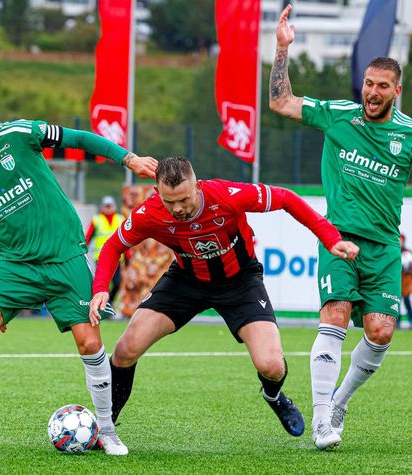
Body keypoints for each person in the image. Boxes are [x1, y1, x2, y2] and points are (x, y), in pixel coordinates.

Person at [0, 83, 157, 456]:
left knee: (89, 342)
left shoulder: (19, 133)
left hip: (65, 256)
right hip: (14, 266)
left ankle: (107, 431)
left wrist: (128, 159)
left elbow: (79, 138)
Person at [269, 4, 412, 450]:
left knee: (380, 332)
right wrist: (282, 50)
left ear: (397, 89)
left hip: (383, 247)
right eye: (368, 84)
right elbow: (281, 101)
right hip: (337, 237)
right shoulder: (338, 113)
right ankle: (321, 422)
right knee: (335, 313)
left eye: (381, 87)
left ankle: (339, 401)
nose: (372, 92)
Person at [89, 157, 360, 439]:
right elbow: (112, 247)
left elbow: (287, 199)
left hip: (240, 282)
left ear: (197, 186)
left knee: (272, 366)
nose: (178, 208)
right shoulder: (151, 212)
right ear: (157, 192)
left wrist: (331, 239)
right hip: (186, 281)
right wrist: (101, 288)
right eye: (170, 202)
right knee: (124, 350)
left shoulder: (226, 196)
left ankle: (274, 395)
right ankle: (105, 428)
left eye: (183, 199)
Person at [85, 196, 125, 306]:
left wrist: (128, 257)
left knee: (117, 283)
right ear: (102, 207)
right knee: (102, 284)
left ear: (114, 206)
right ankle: (100, 306)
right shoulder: (96, 220)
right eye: (106, 206)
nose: (108, 208)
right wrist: (82, 252)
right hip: (100, 257)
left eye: (110, 205)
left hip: (117, 258)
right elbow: (88, 238)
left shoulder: (120, 219)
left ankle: (109, 303)